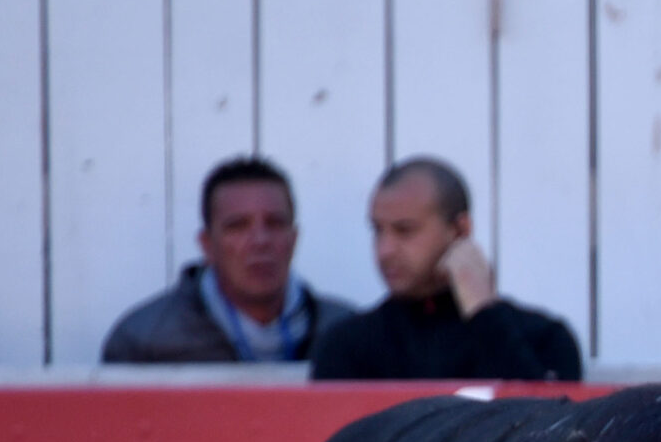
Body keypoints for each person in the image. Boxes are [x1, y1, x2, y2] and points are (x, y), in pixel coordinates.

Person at [311, 157, 582, 383]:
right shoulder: (346, 347)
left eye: (405, 230)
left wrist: (485, 314)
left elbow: (546, 434)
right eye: (378, 230)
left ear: (460, 230)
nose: (385, 250)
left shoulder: (543, 338)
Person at [102, 157, 355, 365]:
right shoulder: (145, 341)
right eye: (237, 227)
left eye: (275, 224)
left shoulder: (348, 333)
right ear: (207, 245)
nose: (260, 241)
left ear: (294, 238)